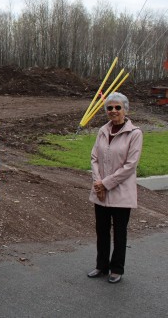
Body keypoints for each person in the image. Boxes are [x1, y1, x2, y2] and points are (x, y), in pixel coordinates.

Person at [87, 92, 143, 284]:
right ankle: (101, 266)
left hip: (120, 192)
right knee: (101, 231)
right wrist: (97, 182)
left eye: (117, 107)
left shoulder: (135, 133)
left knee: (119, 233)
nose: (113, 111)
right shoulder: (102, 130)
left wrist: (105, 183)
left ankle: (116, 268)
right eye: (110, 108)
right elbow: (94, 158)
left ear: (125, 109)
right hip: (100, 191)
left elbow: (130, 165)